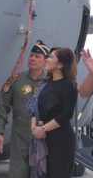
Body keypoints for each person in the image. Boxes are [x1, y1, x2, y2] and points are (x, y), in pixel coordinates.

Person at [0, 40, 49, 178]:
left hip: (44, 136)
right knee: (18, 172)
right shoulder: (15, 80)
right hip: (20, 135)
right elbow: (3, 106)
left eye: (37, 57)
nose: (32, 59)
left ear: (45, 61)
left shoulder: (50, 82)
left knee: (41, 173)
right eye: (31, 55)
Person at [31, 47, 77, 178]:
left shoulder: (69, 85)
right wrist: (34, 128)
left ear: (60, 64)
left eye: (51, 57)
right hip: (42, 138)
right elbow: (34, 106)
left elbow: (66, 114)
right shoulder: (45, 83)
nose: (47, 59)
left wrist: (44, 128)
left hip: (60, 139)